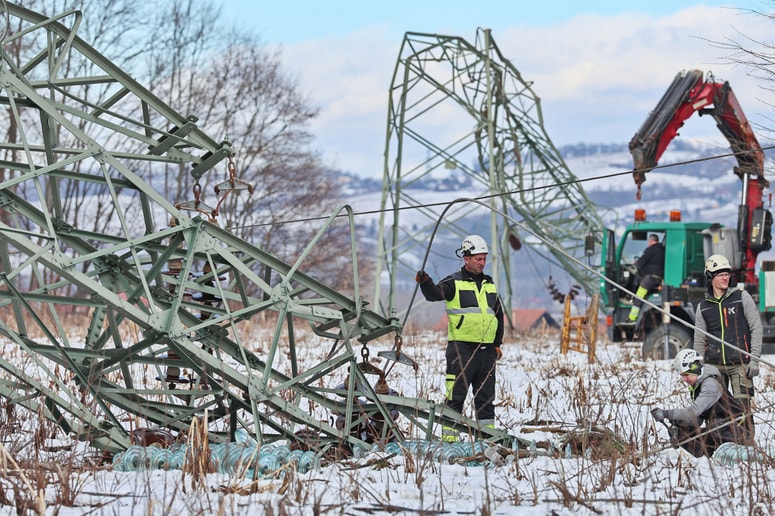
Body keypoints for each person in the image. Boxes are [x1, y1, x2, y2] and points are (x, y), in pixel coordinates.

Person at [415, 234, 504, 442]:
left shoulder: (490, 285)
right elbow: (434, 294)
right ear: (466, 259)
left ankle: (487, 440)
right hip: (461, 351)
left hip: (487, 353)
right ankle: (449, 442)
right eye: (478, 259)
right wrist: (425, 282)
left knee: (486, 400)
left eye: (484, 259)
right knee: (455, 398)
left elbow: (498, 315)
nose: (482, 263)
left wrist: (497, 344)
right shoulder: (454, 282)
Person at [693, 253, 761, 437]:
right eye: (720, 274)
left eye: (727, 273)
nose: (725, 277)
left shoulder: (741, 297)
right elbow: (699, 340)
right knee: (716, 410)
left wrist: (754, 361)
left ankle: (747, 445)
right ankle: (720, 446)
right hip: (714, 366)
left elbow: (756, 328)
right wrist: (698, 370)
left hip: (740, 364)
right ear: (711, 277)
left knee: (743, 410)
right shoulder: (703, 306)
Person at [650, 349, 751, 457]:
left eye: (687, 375)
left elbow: (694, 411)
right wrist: (677, 423)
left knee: (716, 425)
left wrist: (667, 413)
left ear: (696, 369)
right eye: (682, 376)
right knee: (682, 429)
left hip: (737, 429)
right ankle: (707, 456)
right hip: (717, 429)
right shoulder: (697, 386)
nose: (685, 379)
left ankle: (734, 455)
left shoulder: (711, 384)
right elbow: (698, 419)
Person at [628, 233, 665, 321]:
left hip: (651, 278)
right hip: (659, 277)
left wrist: (636, 264)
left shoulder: (650, 250)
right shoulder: (662, 250)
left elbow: (640, 263)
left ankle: (632, 317)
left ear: (650, 241)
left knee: (639, 293)